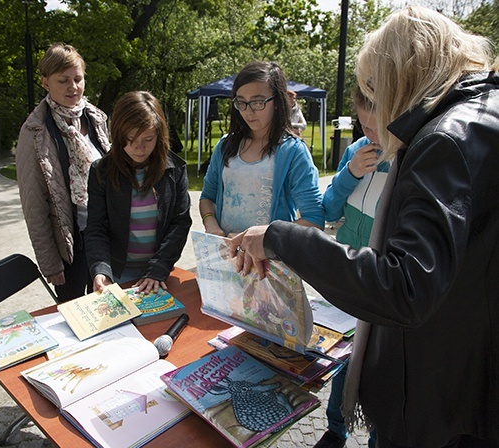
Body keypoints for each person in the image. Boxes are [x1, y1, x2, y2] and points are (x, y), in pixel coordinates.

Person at [230, 6, 499, 447]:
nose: (371, 114)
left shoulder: (445, 139)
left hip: (439, 402)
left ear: (399, 80)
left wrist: (282, 235)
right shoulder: (484, 114)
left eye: (374, 90)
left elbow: (405, 284)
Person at [314, 85, 388, 448]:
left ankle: (378, 435)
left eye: (379, 129)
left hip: (381, 286)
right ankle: (334, 429)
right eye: (364, 128)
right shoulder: (357, 152)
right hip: (347, 282)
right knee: (342, 364)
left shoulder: (409, 161)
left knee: (379, 371)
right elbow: (328, 209)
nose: (371, 137)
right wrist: (350, 173)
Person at [16, 43, 110, 302]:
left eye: (78, 79)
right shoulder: (34, 132)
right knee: (75, 314)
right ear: (46, 83)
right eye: (63, 81)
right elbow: (34, 204)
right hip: (69, 245)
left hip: (103, 232)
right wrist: (50, 263)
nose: (73, 87)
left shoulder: (95, 118)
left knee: (107, 307)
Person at [199, 61, 324, 237]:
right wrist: (211, 224)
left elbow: (314, 219)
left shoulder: (293, 152)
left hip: (270, 261)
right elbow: (207, 197)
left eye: (258, 102)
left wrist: (263, 237)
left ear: (278, 102)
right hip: (227, 257)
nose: (248, 111)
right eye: (241, 102)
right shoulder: (226, 145)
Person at [85, 91, 192, 293]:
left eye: (148, 139)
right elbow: (96, 228)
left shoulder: (175, 170)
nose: (139, 148)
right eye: (131, 138)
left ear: (159, 136)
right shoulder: (101, 171)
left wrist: (158, 268)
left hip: (159, 272)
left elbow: (180, 223)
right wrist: (101, 270)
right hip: (115, 273)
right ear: (118, 135)